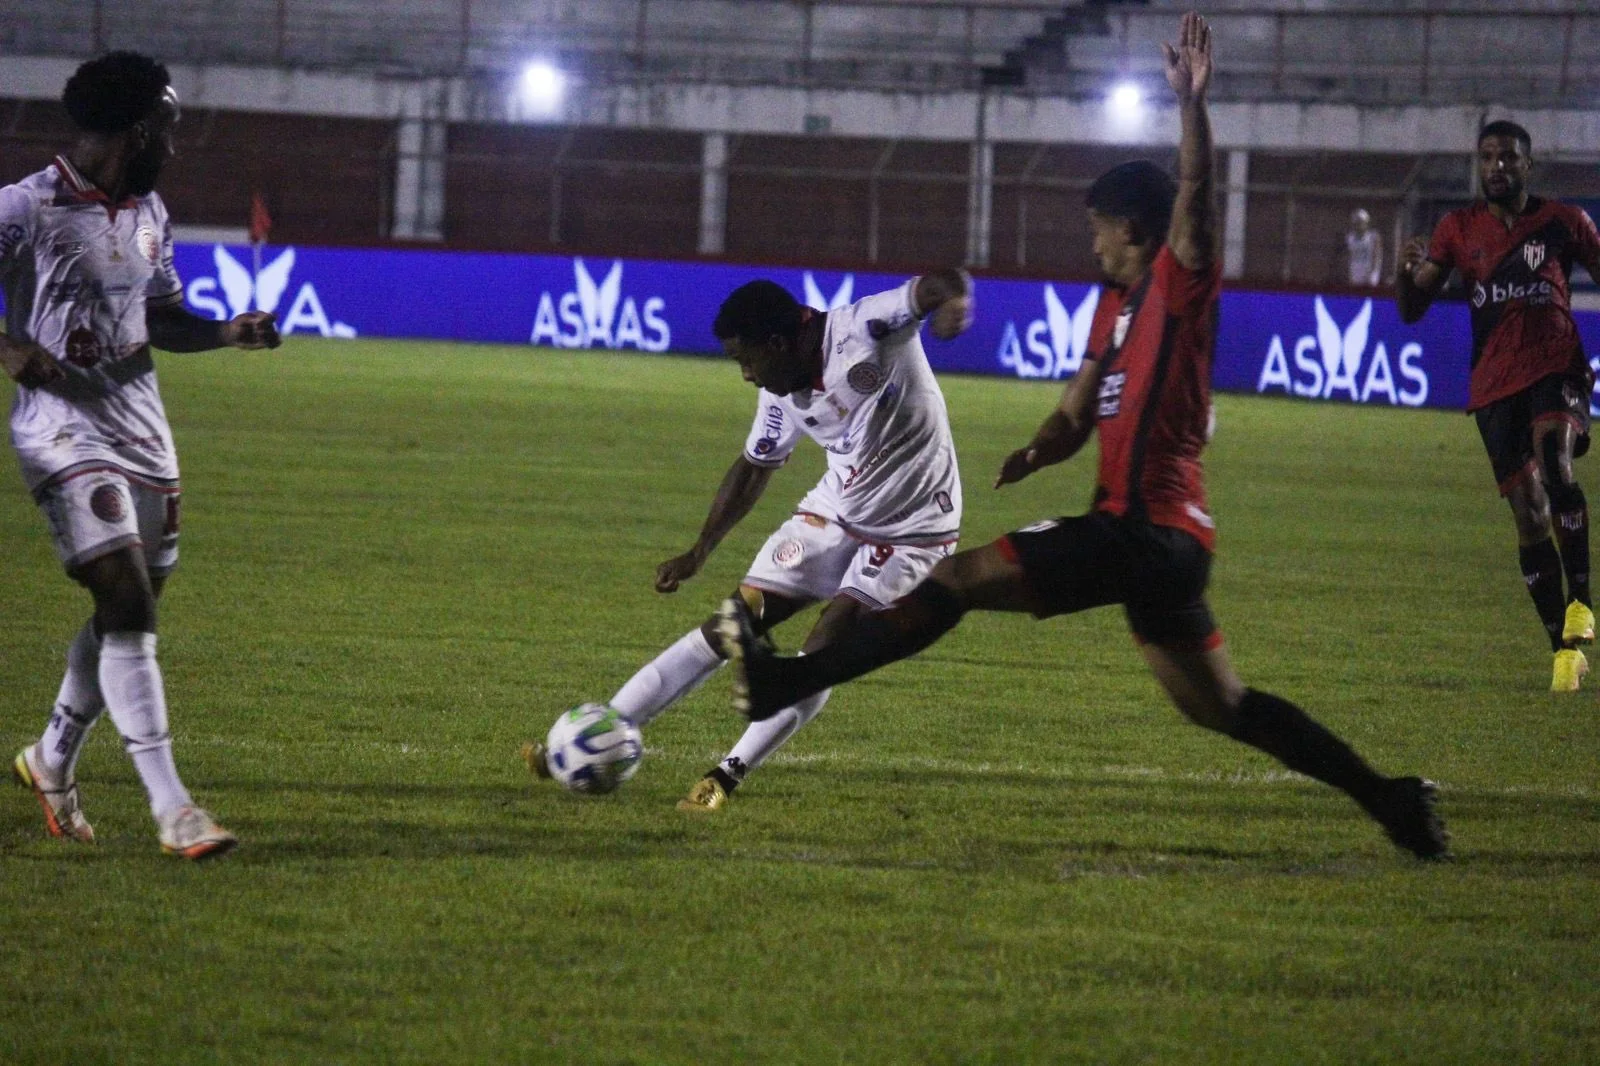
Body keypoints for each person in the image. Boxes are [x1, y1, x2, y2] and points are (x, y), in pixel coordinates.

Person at [716, 12, 1447, 860]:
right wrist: (1039, 448)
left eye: (1098, 226)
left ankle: (792, 678)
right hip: (1163, 547)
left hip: (1144, 527)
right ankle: (1391, 800)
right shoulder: (1113, 308)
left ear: (1132, 230)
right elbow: (1074, 411)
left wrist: (1192, 107)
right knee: (1226, 707)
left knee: (954, 581)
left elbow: (1197, 198)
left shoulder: (1179, 283)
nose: (1091, 240)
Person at [525, 270, 973, 811]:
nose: (745, 375)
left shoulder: (865, 328)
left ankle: (725, 776)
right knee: (731, 625)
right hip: (836, 511)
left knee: (823, 650)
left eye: (746, 359)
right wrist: (699, 551)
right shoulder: (781, 388)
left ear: (778, 344)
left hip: (914, 531)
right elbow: (753, 468)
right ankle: (597, 736)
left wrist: (953, 303)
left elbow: (937, 284)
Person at [3, 52, 280, 859]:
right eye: (170, 126)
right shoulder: (25, 209)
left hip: (143, 430)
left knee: (129, 605)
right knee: (126, 601)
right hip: (61, 429)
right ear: (135, 129)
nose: (176, 142)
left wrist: (227, 331)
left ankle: (50, 759)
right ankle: (175, 810)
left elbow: (162, 316)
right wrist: (8, 349)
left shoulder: (151, 210)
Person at [1397, 120, 1600, 692]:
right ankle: (1562, 649)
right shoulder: (1458, 230)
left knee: (1555, 460)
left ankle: (1582, 601)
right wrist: (1400, 273)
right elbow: (1414, 308)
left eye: (1507, 157)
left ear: (1527, 165)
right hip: (1492, 384)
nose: (1496, 167)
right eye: (1487, 157)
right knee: (1528, 516)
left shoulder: (1563, 222)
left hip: (1556, 362)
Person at [1344, 208, 1384, 287]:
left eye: (1361, 223)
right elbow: (1348, 255)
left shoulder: (1373, 236)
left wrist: (1374, 271)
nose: (1358, 226)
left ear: (1366, 223)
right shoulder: (1349, 238)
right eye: (1356, 223)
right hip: (1355, 270)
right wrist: (1348, 272)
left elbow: (1377, 255)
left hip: (1368, 270)